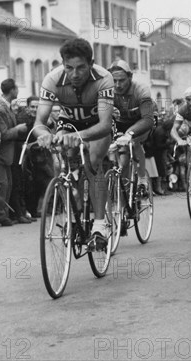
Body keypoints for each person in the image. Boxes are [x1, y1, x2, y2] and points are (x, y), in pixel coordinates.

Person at [33, 38, 114, 247]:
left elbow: (105, 124)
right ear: (63, 65)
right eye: (69, 68)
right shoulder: (52, 79)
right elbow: (39, 122)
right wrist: (44, 134)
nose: (75, 74)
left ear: (91, 63)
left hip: (97, 124)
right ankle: (74, 211)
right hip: (69, 122)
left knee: (93, 163)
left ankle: (99, 224)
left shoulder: (104, 77)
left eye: (80, 68)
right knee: (61, 164)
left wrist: (79, 137)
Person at [107, 59, 155, 195]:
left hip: (142, 121)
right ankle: (124, 190)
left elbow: (148, 119)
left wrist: (129, 134)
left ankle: (142, 179)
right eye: (114, 81)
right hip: (122, 121)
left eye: (121, 80)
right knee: (121, 155)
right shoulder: (107, 90)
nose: (117, 85)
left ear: (130, 77)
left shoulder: (141, 89)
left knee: (134, 142)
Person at [0, 79, 29, 226]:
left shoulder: (6, 107)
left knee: (7, 184)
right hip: (3, 154)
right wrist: (18, 129)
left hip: (8, 154)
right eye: (17, 89)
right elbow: (4, 134)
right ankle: (1, 215)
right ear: (12, 90)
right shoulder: (0, 108)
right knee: (3, 185)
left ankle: (5, 214)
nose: (18, 91)